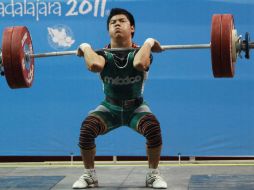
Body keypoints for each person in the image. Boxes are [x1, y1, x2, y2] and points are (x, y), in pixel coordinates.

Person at [72, 8, 167, 189]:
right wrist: (85, 46)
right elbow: (93, 65)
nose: (116, 23)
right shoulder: (101, 55)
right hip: (110, 108)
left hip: (136, 108)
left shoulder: (142, 53)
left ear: (132, 28)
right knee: (87, 129)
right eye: (112, 22)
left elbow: (139, 63)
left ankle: (152, 175)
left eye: (122, 21)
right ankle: (89, 175)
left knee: (152, 127)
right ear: (108, 30)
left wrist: (148, 42)